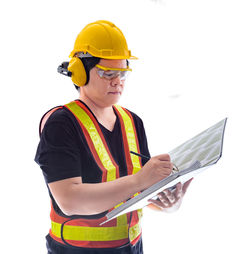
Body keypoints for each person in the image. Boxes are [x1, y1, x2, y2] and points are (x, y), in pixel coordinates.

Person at [35, 20, 192, 254]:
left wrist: (166, 204)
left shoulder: (132, 121)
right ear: (79, 73)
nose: (117, 81)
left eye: (122, 73)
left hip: (132, 248)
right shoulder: (62, 123)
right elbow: (69, 201)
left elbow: (139, 192)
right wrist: (140, 180)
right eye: (107, 73)